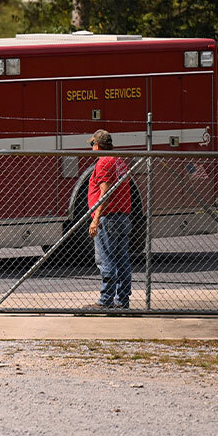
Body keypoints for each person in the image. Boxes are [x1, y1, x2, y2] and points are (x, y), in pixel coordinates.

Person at [87, 129, 133, 309]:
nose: (91, 148)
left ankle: (106, 300)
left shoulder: (104, 162)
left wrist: (95, 219)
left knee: (105, 260)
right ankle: (122, 300)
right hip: (122, 217)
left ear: (97, 146)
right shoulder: (119, 160)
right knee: (122, 260)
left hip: (109, 218)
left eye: (92, 144)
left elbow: (105, 192)